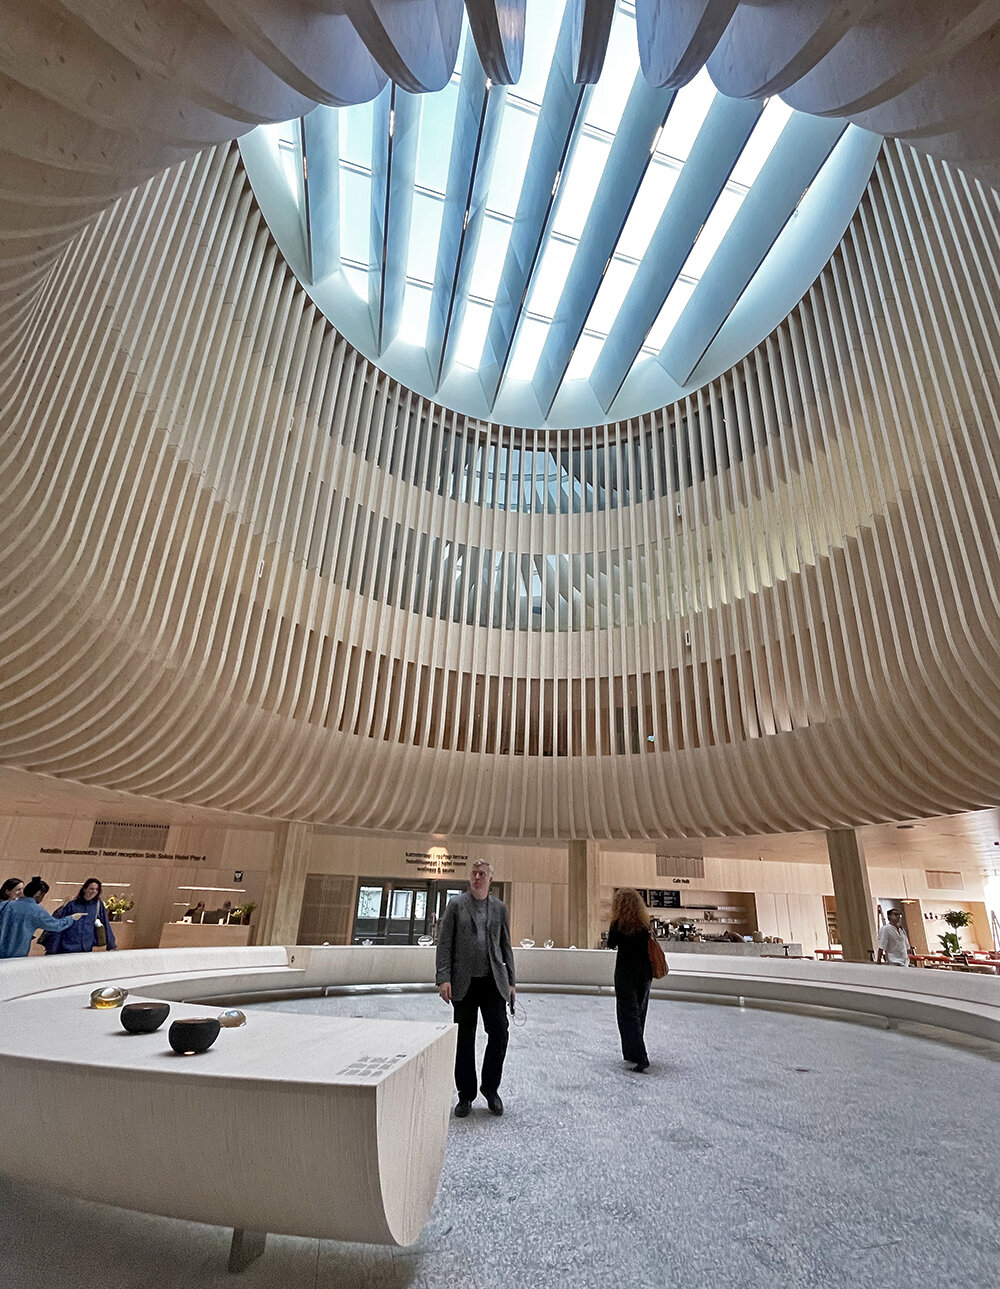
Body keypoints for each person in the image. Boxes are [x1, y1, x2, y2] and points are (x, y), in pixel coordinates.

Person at [435, 860, 515, 1118]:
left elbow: (506, 946)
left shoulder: (500, 908)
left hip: (493, 981)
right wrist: (443, 978)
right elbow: (444, 944)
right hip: (464, 982)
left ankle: (491, 1089)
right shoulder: (456, 905)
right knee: (464, 1039)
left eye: (482, 874)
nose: (477, 877)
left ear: (490, 879)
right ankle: (465, 1096)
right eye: (474, 873)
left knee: (500, 1033)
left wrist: (511, 981)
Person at [607, 888, 653, 1073]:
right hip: (645, 972)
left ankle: (639, 1055)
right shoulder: (643, 924)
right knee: (639, 1012)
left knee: (627, 1014)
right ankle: (632, 1053)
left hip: (626, 972)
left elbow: (610, 944)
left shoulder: (618, 924)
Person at [0, 877, 85, 958]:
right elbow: (56, 925)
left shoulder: (6, 904)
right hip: (16, 955)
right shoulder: (36, 910)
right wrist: (71, 918)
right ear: (38, 894)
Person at [40, 878, 117, 954]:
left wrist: (111, 944)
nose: (94, 891)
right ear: (84, 889)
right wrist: (52, 949)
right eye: (91, 889)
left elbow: (106, 923)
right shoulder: (72, 905)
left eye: (96, 889)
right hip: (68, 946)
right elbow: (60, 925)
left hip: (86, 946)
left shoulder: (98, 905)